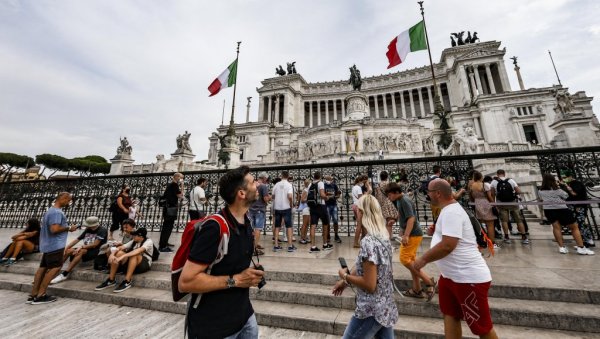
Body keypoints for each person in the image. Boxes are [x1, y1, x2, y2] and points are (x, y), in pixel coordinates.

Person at [178, 166, 265, 338]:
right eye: (254, 182)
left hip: (245, 316)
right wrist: (237, 280)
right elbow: (186, 282)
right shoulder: (214, 227)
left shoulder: (246, 222)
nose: (258, 185)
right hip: (213, 326)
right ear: (241, 193)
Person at [414, 179, 497, 339]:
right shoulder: (447, 210)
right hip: (450, 277)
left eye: (429, 192)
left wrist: (423, 260)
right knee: (450, 314)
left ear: (438, 193)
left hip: (467, 277)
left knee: (482, 327)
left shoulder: (452, 211)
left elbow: (448, 245)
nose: (427, 195)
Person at [332, 195, 397, 338]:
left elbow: (369, 284)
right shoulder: (384, 236)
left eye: (357, 210)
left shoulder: (368, 242)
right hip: (385, 304)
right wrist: (345, 282)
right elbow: (365, 266)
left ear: (362, 213)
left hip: (370, 310)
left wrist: (345, 275)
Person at [385, 182, 436, 300]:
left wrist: (406, 235)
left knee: (404, 259)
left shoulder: (404, 200)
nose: (389, 197)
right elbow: (402, 213)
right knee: (411, 261)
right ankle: (417, 289)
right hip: (413, 234)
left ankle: (429, 282)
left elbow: (411, 218)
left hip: (413, 234)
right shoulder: (399, 200)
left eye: (390, 195)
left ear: (396, 192)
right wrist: (395, 219)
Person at [29, 192, 78, 305]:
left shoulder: (50, 211)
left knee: (42, 268)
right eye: (68, 200)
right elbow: (54, 229)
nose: (68, 203)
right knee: (55, 268)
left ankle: (34, 294)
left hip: (48, 245)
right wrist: (69, 228)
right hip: (55, 245)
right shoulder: (56, 212)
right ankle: (41, 295)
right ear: (63, 198)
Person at [538, 174, 594, 255]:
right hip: (561, 209)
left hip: (549, 210)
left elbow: (541, 199)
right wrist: (561, 186)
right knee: (574, 227)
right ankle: (581, 247)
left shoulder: (540, 191)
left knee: (556, 227)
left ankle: (561, 247)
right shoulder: (558, 190)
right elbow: (566, 196)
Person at [95, 227, 155, 292]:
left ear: (140, 236)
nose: (133, 236)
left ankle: (127, 281)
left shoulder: (149, 241)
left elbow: (138, 251)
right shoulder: (134, 241)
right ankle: (111, 279)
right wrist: (112, 255)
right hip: (132, 264)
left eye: (135, 235)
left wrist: (123, 256)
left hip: (144, 264)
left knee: (134, 255)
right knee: (119, 253)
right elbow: (121, 247)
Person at [51, 216, 108, 284]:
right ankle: (55, 269)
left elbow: (95, 244)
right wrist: (67, 247)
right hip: (85, 248)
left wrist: (81, 247)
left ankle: (65, 274)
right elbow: (77, 239)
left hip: (95, 250)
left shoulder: (102, 230)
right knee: (69, 250)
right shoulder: (88, 229)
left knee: (80, 251)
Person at [491, 169, 529, 245]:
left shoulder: (494, 182)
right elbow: (518, 191)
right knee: (519, 220)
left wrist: (494, 203)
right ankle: (524, 237)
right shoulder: (511, 180)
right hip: (513, 203)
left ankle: (507, 237)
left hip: (501, 204)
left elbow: (493, 194)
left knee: (504, 221)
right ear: (504, 174)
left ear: (497, 174)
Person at [563, 171, 595, 248]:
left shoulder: (576, 183)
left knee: (581, 224)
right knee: (576, 225)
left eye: (565, 177)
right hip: (574, 207)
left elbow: (575, 194)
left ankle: (589, 240)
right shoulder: (571, 184)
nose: (564, 179)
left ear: (570, 176)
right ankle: (582, 241)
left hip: (579, 207)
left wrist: (568, 188)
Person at [469, 171, 498, 248]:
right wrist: (494, 205)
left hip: (477, 204)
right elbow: (489, 197)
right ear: (481, 177)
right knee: (490, 225)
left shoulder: (471, 186)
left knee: (481, 224)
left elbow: (471, 198)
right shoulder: (484, 185)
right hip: (486, 204)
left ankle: (483, 241)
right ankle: (492, 243)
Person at [272, 171, 296, 252]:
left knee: (277, 226)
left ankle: (276, 245)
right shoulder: (289, 185)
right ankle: (290, 245)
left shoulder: (276, 185)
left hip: (277, 207)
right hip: (286, 207)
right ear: (288, 176)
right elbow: (289, 196)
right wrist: (291, 203)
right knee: (289, 226)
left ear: (281, 176)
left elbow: (273, 196)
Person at [159, 173, 184, 252]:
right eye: (181, 178)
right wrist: (182, 185)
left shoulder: (170, 185)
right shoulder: (174, 185)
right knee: (168, 227)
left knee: (166, 227)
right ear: (176, 177)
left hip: (167, 208)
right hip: (170, 208)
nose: (182, 179)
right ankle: (163, 246)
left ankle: (164, 243)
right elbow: (180, 196)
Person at [308, 171, 332, 253]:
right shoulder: (320, 183)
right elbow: (322, 194)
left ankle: (313, 246)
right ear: (320, 177)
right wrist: (327, 197)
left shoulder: (310, 184)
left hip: (312, 207)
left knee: (313, 226)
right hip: (321, 206)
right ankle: (325, 244)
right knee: (325, 224)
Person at [248, 172, 271, 255]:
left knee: (252, 228)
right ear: (264, 178)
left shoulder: (253, 185)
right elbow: (265, 199)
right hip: (260, 210)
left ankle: (254, 245)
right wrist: (270, 197)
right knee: (258, 229)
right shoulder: (263, 186)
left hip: (251, 209)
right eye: (267, 179)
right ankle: (254, 249)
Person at [373, 171, 399, 242]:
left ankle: (385, 236)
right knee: (389, 222)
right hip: (388, 203)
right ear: (387, 176)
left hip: (380, 204)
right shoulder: (388, 184)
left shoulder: (377, 185)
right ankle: (389, 238)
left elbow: (376, 195)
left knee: (383, 222)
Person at [352, 175, 371, 248]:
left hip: (355, 205)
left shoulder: (354, 187)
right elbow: (361, 198)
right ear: (361, 181)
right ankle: (356, 242)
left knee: (363, 225)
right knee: (359, 225)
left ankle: (363, 240)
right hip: (359, 207)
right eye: (364, 181)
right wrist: (368, 191)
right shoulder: (358, 188)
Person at [324, 175, 342, 244]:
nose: (329, 180)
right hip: (327, 205)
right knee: (327, 221)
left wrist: (335, 196)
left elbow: (338, 194)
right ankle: (328, 235)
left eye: (330, 179)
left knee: (335, 220)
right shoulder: (324, 185)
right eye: (327, 179)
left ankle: (336, 235)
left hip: (334, 204)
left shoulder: (334, 185)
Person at [298, 178, 312, 245]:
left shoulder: (308, 190)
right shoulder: (305, 191)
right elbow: (302, 200)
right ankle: (302, 238)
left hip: (308, 208)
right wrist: (309, 200)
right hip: (305, 208)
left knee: (307, 224)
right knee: (305, 223)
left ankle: (305, 236)